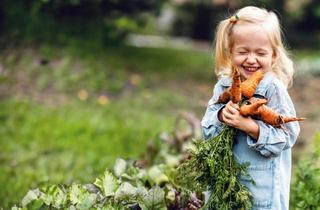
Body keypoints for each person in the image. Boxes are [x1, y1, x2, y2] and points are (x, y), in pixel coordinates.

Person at [201, 6, 300, 210]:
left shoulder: (273, 89)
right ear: (230, 53)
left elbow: (288, 136)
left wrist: (250, 127)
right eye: (243, 51)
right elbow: (207, 129)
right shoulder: (224, 86)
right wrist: (220, 115)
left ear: (273, 55)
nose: (251, 59)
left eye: (260, 53)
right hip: (224, 185)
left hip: (260, 193)